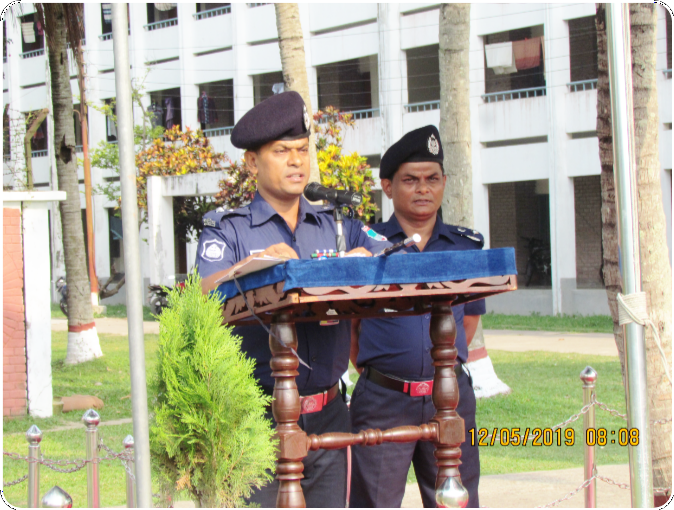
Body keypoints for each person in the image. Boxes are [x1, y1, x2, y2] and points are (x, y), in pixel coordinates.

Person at [195, 91, 389, 508]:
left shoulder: (334, 223)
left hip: (329, 412)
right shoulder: (228, 231)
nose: (297, 161)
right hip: (256, 416)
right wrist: (254, 264)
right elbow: (205, 294)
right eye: (282, 151)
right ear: (252, 162)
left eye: (302, 150)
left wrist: (361, 257)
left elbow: (393, 250)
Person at [349, 125, 484, 508]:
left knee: (456, 500)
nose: (423, 189)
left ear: (444, 182)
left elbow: (469, 322)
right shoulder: (366, 246)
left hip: (452, 396)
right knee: (374, 501)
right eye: (410, 180)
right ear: (388, 186)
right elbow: (351, 329)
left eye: (432, 179)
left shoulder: (464, 246)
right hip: (383, 400)